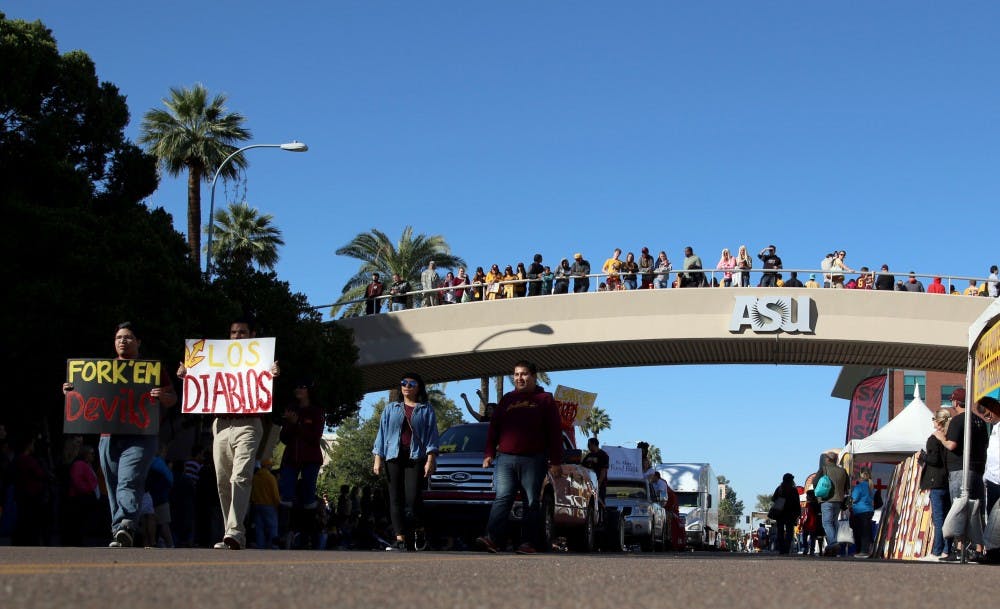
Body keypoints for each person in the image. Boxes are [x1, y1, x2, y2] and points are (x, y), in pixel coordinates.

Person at [63, 321, 177, 548]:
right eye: (119, 338)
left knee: (129, 479)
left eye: (128, 337)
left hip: (141, 436)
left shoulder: (151, 370)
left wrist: (163, 396)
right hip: (108, 437)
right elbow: (84, 399)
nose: (123, 341)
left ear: (138, 342)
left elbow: (172, 398)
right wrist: (71, 391)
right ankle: (120, 531)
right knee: (114, 484)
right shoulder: (99, 371)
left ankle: (125, 524)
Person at [177, 317, 279, 551]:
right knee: (223, 481)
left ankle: (233, 531)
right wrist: (187, 375)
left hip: (248, 424)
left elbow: (265, 388)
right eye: (233, 332)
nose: (237, 337)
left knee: (240, 476)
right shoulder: (216, 360)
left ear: (252, 334)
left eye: (242, 332)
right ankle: (234, 534)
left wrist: (272, 372)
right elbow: (202, 383)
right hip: (221, 425)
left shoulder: (260, 360)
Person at [476, 360, 563, 554]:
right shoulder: (507, 400)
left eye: (523, 374)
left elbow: (554, 432)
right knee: (502, 497)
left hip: (533, 459)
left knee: (531, 501)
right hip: (505, 459)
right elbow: (494, 429)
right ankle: (492, 539)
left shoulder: (545, 399)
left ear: (533, 376)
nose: (519, 378)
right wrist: (489, 453)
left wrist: (556, 461)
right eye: (516, 375)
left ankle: (528, 543)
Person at [372, 373, 440, 551]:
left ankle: (419, 529)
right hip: (393, 455)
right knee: (395, 498)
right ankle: (400, 539)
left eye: (411, 383)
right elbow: (382, 433)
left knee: (412, 498)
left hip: (415, 456)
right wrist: (378, 458)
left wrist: (430, 458)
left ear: (418, 388)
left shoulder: (426, 409)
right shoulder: (391, 408)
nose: (407, 386)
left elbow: (432, 435)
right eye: (404, 383)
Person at [940, 388, 989, 560]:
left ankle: (959, 548)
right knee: (976, 510)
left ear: (955, 402)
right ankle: (978, 549)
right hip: (977, 470)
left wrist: (941, 438)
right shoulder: (980, 421)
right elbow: (985, 447)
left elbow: (952, 445)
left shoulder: (957, 420)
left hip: (960, 470)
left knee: (959, 508)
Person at [278, 379, 326, 549]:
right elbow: (283, 437)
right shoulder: (291, 409)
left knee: (308, 495)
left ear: (309, 391)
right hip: (291, 458)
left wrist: (297, 423)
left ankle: (308, 536)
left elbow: (314, 437)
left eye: (302, 386)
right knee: (286, 495)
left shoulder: (316, 411)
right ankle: (284, 533)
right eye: (296, 386)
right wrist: (290, 424)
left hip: (310, 459)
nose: (298, 389)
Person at [919, 407, 953, 561]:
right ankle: (947, 550)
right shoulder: (949, 437)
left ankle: (937, 551)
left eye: (933, 419)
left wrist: (923, 457)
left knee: (938, 519)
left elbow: (935, 460)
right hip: (947, 480)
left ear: (939, 422)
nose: (932, 421)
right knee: (947, 518)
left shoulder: (934, 438)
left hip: (935, 481)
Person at [814, 451, 848, 556]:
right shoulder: (843, 471)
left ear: (827, 459)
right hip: (839, 500)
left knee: (827, 523)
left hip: (826, 499)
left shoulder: (823, 469)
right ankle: (831, 548)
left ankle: (833, 543)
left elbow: (815, 482)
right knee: (834, 522)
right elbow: (847, 486)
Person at [251, 458, 280, 549]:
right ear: (268, 466)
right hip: (269, 505)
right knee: (272, 527)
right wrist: (277, 503)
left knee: (259, 527)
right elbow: (275, 493)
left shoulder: (255, 477)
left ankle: (260, 545)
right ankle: (273, 545)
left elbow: (252, 491)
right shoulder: (270, 478)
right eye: (270, 465)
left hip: (256, 504)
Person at [771, 473, 802, 554]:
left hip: (780, 513)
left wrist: (780, 501)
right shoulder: (793, 489)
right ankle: (786, 548)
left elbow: (773, 499)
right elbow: (797, 502)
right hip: (790, 513)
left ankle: (781, 549)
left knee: (780, 531)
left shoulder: (779, 488)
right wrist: (798, 512)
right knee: (789, 532)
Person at [850, 469, 874, 557]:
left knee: (861, 533)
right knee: (867, 531)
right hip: (869, 510)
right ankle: (867, 550)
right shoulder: (870, 486)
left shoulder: (859, 487)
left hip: (860, 511)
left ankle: (863, 551)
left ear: (860, 476)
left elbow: (854, 499)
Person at [581, 437, 609, 509]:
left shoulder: (603, 455)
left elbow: (603, 471)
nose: (588, 446)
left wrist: (598, 484)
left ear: (594, 444)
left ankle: (601, 518)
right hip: (588, 485)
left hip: (599, 484)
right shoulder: (588, 456)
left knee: (600, 503)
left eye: (589, 444)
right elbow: (582, 467)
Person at [800, 489, 824, 555]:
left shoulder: (808, 504)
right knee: (812, 538)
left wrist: (802, 523)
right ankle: (812, 550)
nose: (806, 497)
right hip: (814, 524)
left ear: (810, 496)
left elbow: (805, 515)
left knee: (804, 537)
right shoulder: (817, 504)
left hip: (807, 524)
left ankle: (805, 548)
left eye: (807, 496)